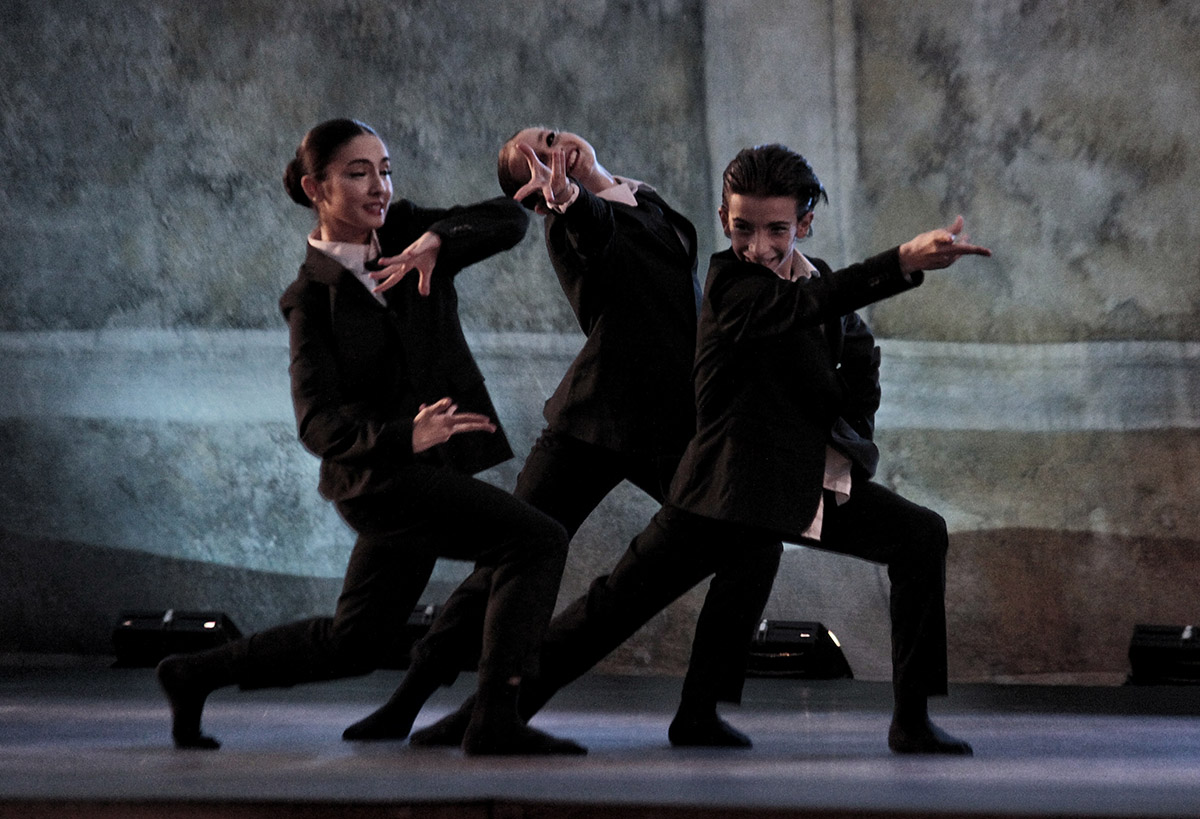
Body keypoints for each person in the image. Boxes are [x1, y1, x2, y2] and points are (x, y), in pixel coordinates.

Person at [409, 144, 991, 755]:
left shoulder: (816, 277)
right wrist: (900, 262)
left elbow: (856, 350)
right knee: (610, 610)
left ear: (805, 224)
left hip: (799, 485)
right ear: (722, 219)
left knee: (920, 535)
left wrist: (848, 427)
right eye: (743, 228)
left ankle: (908, 720)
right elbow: (803, 308)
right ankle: (485, 715)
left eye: (777, 230)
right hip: (723, 490)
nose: (758, 246)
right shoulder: (732, 285)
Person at [155, 118, 583, 757]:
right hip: (380, 483)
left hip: (426, 475)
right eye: (359, 173)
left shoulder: (408, 232)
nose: (380, 186)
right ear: (316, 188)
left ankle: (192, 673)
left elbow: (508, 219)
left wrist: (437, 239)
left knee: (356, 643)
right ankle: (496, 716)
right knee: (536, 539)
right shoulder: (309, 300)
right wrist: (404, 437)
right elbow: (316, 424)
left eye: (384, 170)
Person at [341, 127, 703, 742]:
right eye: (536, 159)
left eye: (552, 138)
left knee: (736, 540)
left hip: (671, 427)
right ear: (537, 198)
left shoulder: (645, 198)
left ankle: (697, 711)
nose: (556, 152)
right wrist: (570, 201)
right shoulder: (573, 224)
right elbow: (594, 233)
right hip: (592, 424)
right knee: (501, 565)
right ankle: (409, 698)